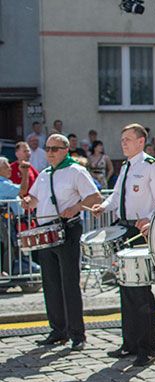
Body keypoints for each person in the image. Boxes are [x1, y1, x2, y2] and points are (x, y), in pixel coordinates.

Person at [92, 123, 155, 367]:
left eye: (128, 139)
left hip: (139, 231)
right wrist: (103, 207)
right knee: (125, 288)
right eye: (122, 139)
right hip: (123, 228)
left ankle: (148, 348)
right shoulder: (126, 166)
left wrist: (149, 218)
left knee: (140, 291)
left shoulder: (151, 166)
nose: (123, 143)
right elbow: (116, 197)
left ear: (140, 142)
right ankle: (130, 343)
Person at [21, 134, 102, 351]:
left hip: (67, 228)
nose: (49, 153)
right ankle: (58, 330)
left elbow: (94, 197)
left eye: (54, 149)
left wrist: (75, 208)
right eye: (47, 148)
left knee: (69, 283)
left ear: (65, 150)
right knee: (50, 282)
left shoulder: (76, 171)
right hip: (46, 231)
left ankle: (77, 333)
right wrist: (28, 201)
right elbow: (34, 200)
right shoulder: (45, 174)